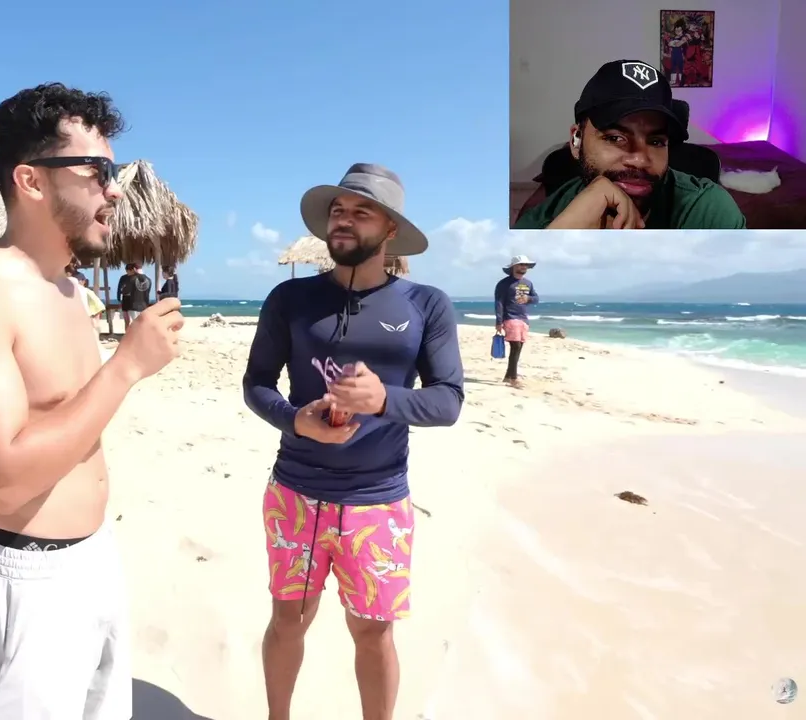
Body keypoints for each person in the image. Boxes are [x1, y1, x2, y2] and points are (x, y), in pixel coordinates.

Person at [0, 82, 184, 720]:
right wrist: (126, 367)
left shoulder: (68, 291)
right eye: (97, 171)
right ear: (31, 181)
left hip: (92, 558)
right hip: (22, 580)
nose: (114, 190)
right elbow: (4, 481)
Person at [242, 163, 465, 720]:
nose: (343, 220)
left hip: (378, 500)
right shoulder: (289, 299)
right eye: (338, 210)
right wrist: (296, 421)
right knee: (288, 620)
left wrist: (384, 399)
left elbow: (448, 402)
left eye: (361, 212)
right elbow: (257, 384)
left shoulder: (426, 304)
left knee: (373, 632)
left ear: (390, 229)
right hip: (295, 493)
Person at [514, 59, 745, 230]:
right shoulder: (545, 222)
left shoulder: (707, 212)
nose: (640, 160)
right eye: (615, 138)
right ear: (576, 141)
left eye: (656, 141)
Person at [494, 255, 539, 388]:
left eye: (526, 265)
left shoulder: (528, 283)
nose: (524, 267)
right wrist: (499, 321)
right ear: (513, 267)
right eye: (521, 264)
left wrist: (528, 298)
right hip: (510, 317)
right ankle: (514, 378)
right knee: (516, 347)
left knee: (518, 348)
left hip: (523, 319)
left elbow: (536, 298)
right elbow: (499, 302)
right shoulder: (504, 284)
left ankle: (508, 376)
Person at [116, 262, 151, 328]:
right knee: (141, 324)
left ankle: (129, 334)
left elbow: (124, 291)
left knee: (133, 324)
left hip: (132, 304)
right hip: (144, 305)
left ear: (134, 269)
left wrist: (119, 298)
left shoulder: (131, 279)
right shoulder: (149, 279)